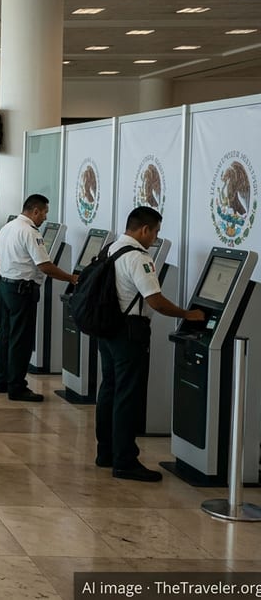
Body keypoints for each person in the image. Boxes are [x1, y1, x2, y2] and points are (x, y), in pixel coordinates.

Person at [97, 206, 204, 482]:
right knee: (127, 395)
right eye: (155, 232)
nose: (155, 238)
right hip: (129, 332)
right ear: (144, 229)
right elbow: (154, 299)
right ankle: (125, 461)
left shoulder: (111, 248)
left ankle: (105, 452)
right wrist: (186, 314)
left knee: (109, 389)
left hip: (107, 328)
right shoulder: (138, 258)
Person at [0, 194, 79, 401]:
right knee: (21, 340)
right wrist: (71, 278)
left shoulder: (8, 227)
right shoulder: (30, 232)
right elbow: (44, 265)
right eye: (44, 212)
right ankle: (17, 387)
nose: (44, 217)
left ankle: (3, 380)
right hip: (22, 291)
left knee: (6, 336)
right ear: (35, 211)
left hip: (6, 285)